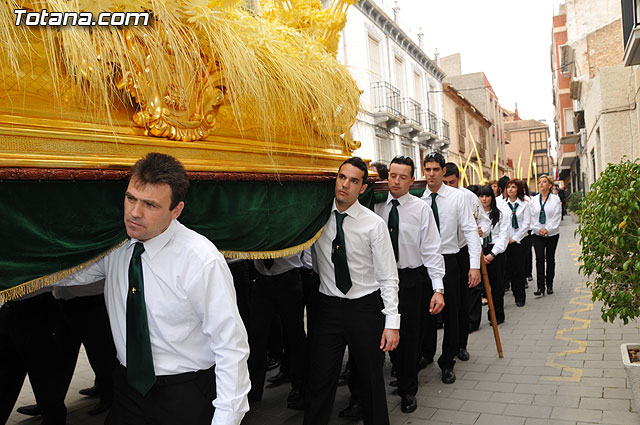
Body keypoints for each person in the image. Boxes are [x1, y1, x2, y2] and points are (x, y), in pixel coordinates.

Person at [56, 152, 250, 425]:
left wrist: (226, 418)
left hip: (185, 395)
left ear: (176, 210)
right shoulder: (117, 247)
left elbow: (230, 346)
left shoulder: (201, 261)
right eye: (131, 198)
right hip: (128, 391)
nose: (135, 213)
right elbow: (68, 275)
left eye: (150, 204)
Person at [304, 157, 399, 425]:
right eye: (341, 177)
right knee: (319, 381)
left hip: (365, 309)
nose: (345, 185)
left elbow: (388, 277)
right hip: (328, 308)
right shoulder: (317, 218)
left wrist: (392, 323)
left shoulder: (374, 224)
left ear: (363, 188)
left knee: (370, 382)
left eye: (354, 180)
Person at [374, 155, 445, 414]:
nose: (396, 181)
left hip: (411, 279)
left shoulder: (420, 209)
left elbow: (431, 250)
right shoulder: (376, 206)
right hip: (380, 280)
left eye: (403, 177)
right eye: (393, 175)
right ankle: (396, 374)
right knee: (383, 333)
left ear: (412, 180)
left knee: (409, 336)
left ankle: (408, 390)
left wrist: (438, 289)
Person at [419, 152, 481, 384]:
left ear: (443, 171)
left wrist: (474, 266)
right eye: (428, 169)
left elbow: (471, 231)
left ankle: (447, 361)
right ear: (424, 171)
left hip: (450, 260)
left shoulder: (457, 197)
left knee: (452, 313)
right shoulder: (418, 199)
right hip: (424, 262)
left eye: (436, 169)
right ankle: (426, 354)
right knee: (425, 312)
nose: (432, 174)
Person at [247, 255, 306, 410]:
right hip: (261, 280)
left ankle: (300, 388)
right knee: (256, 338)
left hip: (288, 278)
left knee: (295, 336)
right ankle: (253, 389)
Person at [0, 289, 67, 425]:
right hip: (11, 306)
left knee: (43, 371)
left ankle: (54, 417)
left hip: (33, 305)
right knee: (8, 371)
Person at [442, 164, 487, 353]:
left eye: (451, 182)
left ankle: (461, 345)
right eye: (445, 183)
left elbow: (485, 221)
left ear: (458, 180)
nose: (448, 186)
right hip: (437, 253)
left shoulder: (467, 197)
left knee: (461, 301)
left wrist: (481, 230)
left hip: (461, 251)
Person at [477, 186, 510, 324]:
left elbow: (503, 237)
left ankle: (497, 315)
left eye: (487, 196)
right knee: (477, 287)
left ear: (492, 197)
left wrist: (492, 254)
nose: (484, 199)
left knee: (497, 286)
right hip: (478, 250)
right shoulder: (475, 214)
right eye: (481, 196)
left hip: (496, 251)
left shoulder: (500, 214)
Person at [530, 175, 562, 296]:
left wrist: (547, 229)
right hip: (537, 234)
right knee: (539, 259)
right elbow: (531, 217)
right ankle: (540, 287)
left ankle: (549, 284)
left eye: (544, 182)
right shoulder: (533, 200)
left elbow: (556, 217)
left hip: (552, 233)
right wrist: (539, 229)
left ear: (549, 185)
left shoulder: (555, 199)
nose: (541, 184)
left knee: (550, 258)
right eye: (539, 182)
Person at [504, 179, 531, 307]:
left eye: (513, 187)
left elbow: (526, 225)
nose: (510, 189)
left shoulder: (524, 205)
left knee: (519, 269)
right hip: (506, 241)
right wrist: (506, 238)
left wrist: (514, 238)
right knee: (509, 268)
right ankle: (514, 291)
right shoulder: (502, 205)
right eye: (508, 187)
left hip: (520, 240)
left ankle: (520, 297)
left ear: (518, 189)